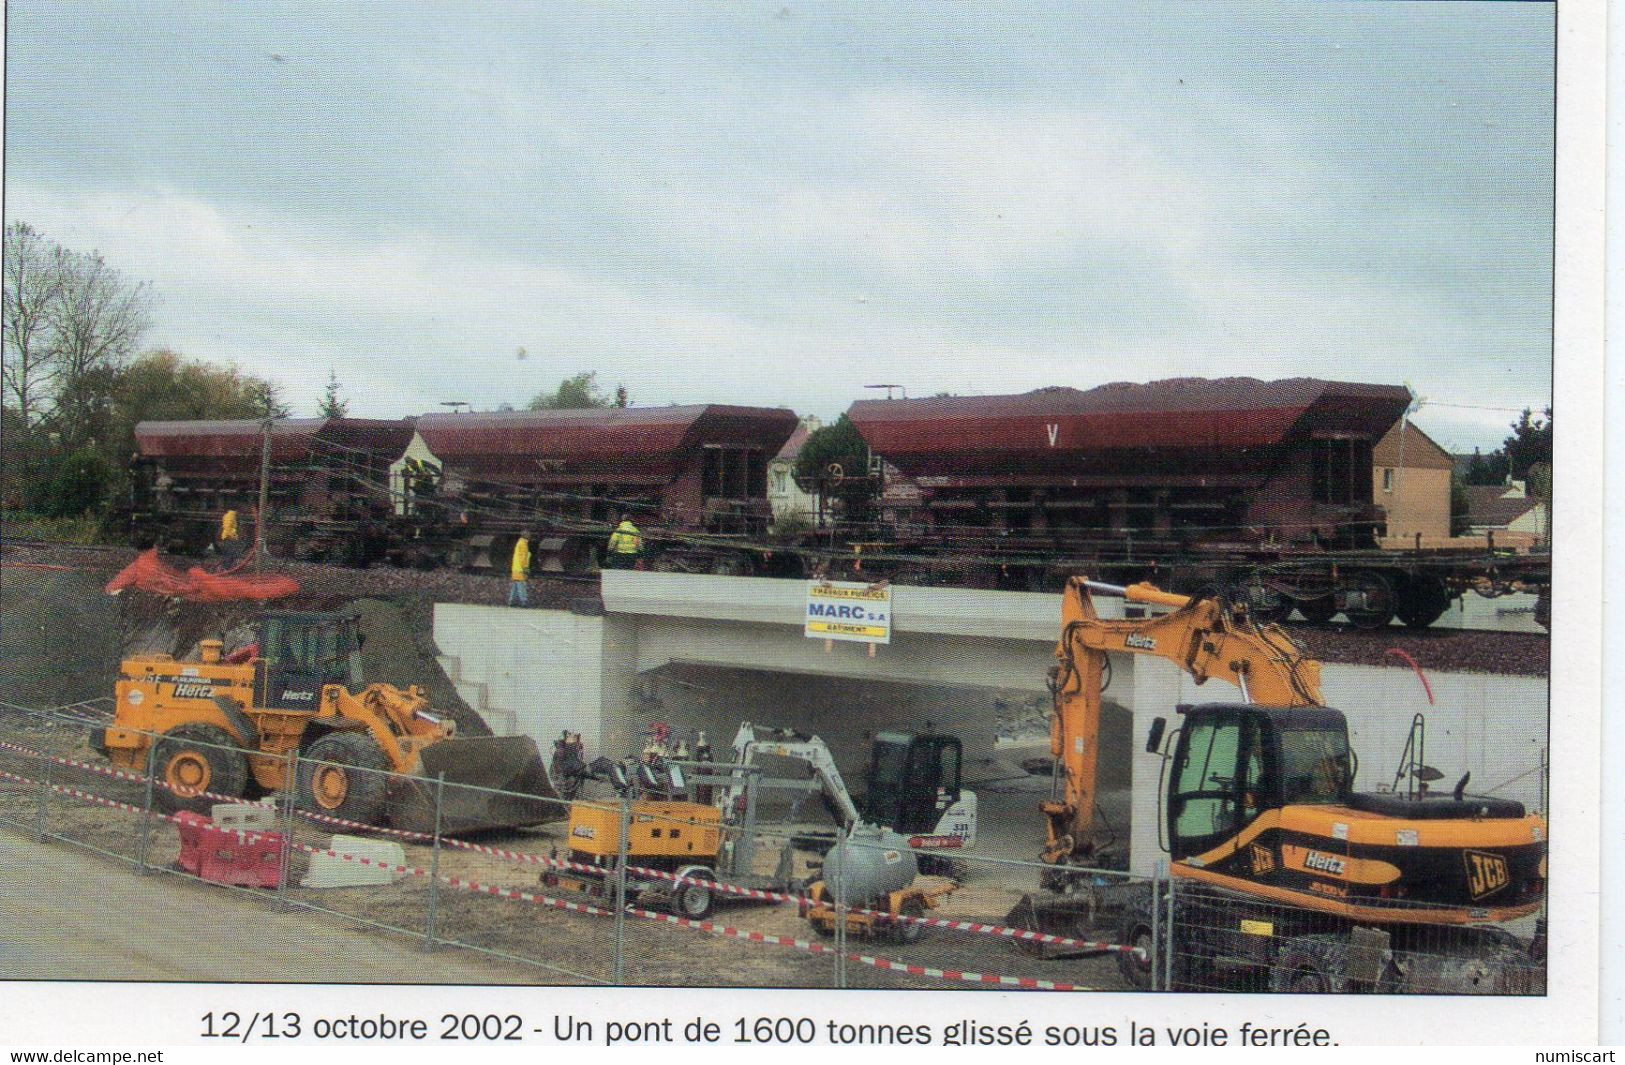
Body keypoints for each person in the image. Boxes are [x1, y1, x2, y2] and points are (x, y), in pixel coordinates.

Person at [508, 530, 532, 607]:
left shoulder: (520, 543)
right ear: (525, 536)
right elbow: (523, 559)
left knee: (516, 585)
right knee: (521, 585)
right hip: (520, 569)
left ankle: (511, 601)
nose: (530, 536)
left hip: (516, 568)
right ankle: (524, 601)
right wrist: (526, 571)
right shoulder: (523, 544)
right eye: (528, 534)